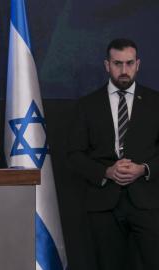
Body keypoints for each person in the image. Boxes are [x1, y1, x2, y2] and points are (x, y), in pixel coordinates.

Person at [67, 38, 159, 269]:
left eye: (129, 63)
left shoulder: (156, 103)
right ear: (107, 65)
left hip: (148, 202)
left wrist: (144, 169)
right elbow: (74, 154)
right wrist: (106, 171)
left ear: (138, 64)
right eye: (118, 64)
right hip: (103, 203)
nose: (124, 70)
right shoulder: (87, 105)